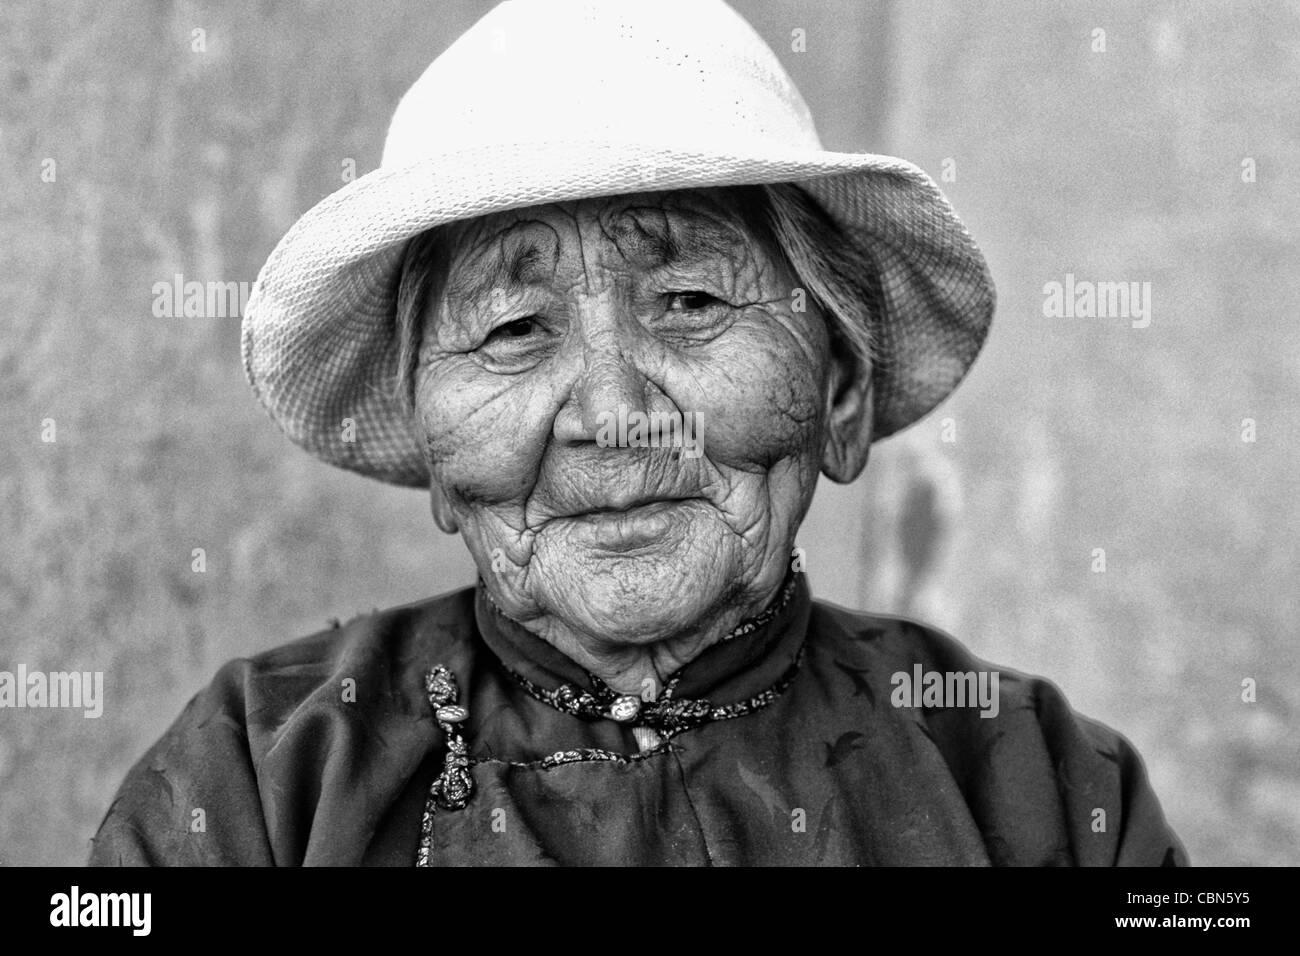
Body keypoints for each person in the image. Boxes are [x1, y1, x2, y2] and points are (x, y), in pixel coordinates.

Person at [89, 0, 1186, 866]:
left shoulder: (1039, 780)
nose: (614, 418)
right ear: (433, 457)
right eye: (513, 328)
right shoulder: (261, 776)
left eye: (693, 302)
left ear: (840, 393)